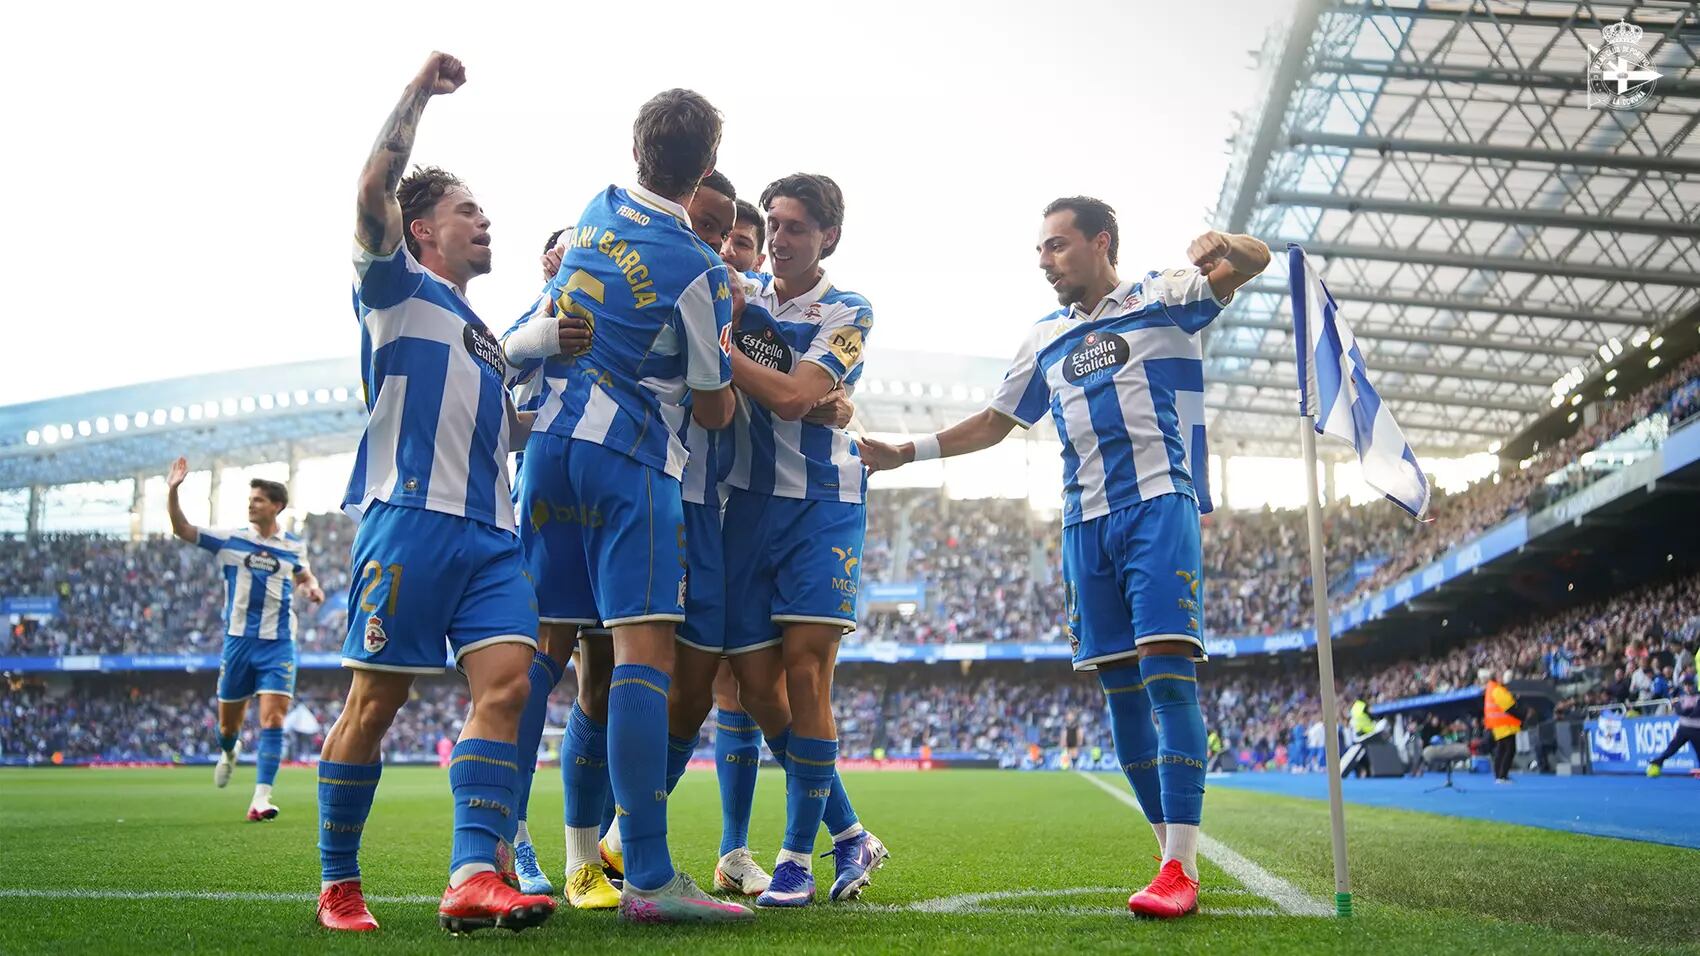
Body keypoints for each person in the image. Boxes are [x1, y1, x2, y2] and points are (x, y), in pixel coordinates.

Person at [858, 196, 1269, 918]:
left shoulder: (1163, 296)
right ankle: (1166, 850)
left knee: (1168, 681)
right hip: (1084, 526)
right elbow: (996, 421)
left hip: (1156, 507)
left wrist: (1223, 241)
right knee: (1119, 693)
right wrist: (905, 451)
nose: (1044, 262)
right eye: (1040, 251)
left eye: (1056, 247)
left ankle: (1180, 866)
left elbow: (1254, 260)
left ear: (1099, 242)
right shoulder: (1044, 337)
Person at [316, 51, 555, 934]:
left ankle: (469, 876)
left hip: (491, 535)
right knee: (373, 702)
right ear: (421, 230)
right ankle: (339, 883)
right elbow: (373, 182)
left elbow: (499, 435)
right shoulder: (391, 286)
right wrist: (418, 92)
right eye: (468, 211)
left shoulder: (485, 333)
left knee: (509, 686)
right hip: (409, 520)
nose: (485, 222)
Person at [500, 88, 750, 924]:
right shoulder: (701, 271)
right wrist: (716, 338)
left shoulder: (592, 210)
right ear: (706, 165)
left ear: (636, 147)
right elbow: (714, 408)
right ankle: (647, 877)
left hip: (547, 455)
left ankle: (491, 850)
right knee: (642, 657)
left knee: (543, 655)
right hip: (629, 462)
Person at [718, 173, 888, 909]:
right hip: (750, 506)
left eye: (794, 227)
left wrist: (715, 356)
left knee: (807, 674)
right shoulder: (741, 292)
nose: (779, 238)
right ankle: (850, 832)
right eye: (774, 225)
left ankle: (794, 859)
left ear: (829, 238)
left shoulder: (849, 309)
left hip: (823, 502)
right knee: (756, 688)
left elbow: (794, 398)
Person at [165, 461, 323, 821]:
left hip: (279, 643)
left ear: (277, 506)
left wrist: (312, 587)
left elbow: (304, 575)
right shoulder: (231, 539)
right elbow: (182, 529)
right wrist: (173, 490)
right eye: (250, 499)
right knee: (228, 727)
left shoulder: (292, 547)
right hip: (238, 644)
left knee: (273, 720)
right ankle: (229, 751)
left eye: (259, 500)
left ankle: (261, 798)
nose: (251, 504)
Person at [1646, 674, 1699, 777]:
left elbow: (1696, 712)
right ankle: (1658, 761)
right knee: (1672, 747)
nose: (1688, 687)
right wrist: (1685, 710)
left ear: (1694, 685)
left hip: (1696, 729)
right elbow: (1679, 711)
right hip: (1684, 728)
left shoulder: (1698, 697)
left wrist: (1685, 711)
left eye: (1690, 685)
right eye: (1686, 685)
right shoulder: (1682, 697)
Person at [1482, 668, 1522, 784]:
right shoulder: (1497, 689)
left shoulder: (1491, 688)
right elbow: (1509, 705)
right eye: (1500, 675)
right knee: (1508, 750)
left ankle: (1499, 775)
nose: (1502, 677)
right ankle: (1502, 775)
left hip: (1498, 724)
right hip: (1504, 724)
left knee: (1501, 750)